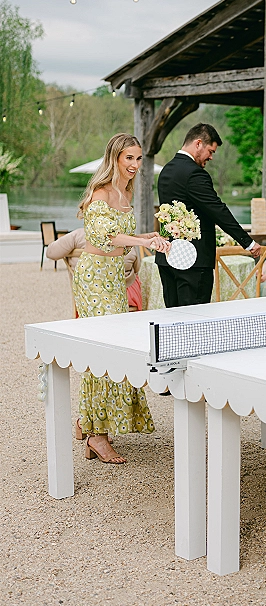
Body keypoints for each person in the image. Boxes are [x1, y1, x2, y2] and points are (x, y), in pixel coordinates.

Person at [73, 133, 171, 464]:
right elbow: (105, 236)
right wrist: (142, 243)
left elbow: (123, 239)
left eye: (139, 158)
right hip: (94, 277)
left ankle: (88, 423)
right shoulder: (101, 193)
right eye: (129, 158)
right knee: (101, 349)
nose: (135, 165)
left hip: (115, 277)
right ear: (115, 157)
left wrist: (148, 236)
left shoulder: (124, 192)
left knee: (111, 348)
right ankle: (96, 435)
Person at [156, 123, 261, 307]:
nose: (211, 157)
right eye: (210, 151)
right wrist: (248, 242)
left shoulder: (167, 170)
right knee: (194, 320)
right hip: (192, 261)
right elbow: (217, 210)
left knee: (171, 318)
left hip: (168, 256)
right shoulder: (194, 174)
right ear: (198, 144)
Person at [46, 227, 143, 311]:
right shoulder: (123, 238)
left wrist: (70, 253)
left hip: (90, 297)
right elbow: (137, 267)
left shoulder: (78, 236)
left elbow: (51, 253)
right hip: (128, 296)